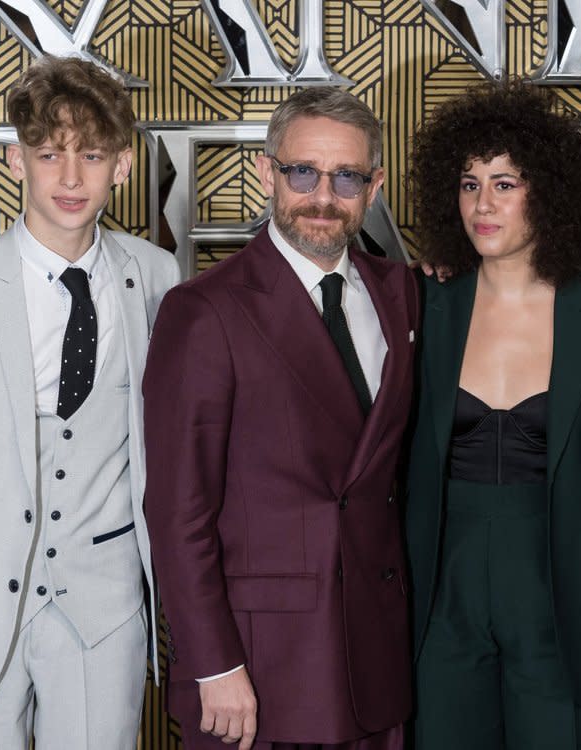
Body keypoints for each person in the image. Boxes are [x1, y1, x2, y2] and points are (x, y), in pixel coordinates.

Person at [0, 55, 180, 749]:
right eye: (49, 155)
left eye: (92, 155)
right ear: (17, 162)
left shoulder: (160, 280)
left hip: (103, 615)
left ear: (124, 164)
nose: (71, 178)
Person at [142, 87, 418, 750]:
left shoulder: (402, 295)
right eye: (303, 172)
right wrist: (213, 662)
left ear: (374, 186)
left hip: (375, 657)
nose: (323, 196)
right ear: (268, 172)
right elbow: (177, 513)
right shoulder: (204, 310)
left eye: (346, 176)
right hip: (257, 666)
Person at [404, 78, 581, 750]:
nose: (483, 203)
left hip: (566, 597)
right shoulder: (422, 305)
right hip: (442, 589)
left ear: (550, 191)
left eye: (505, 183)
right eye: (470, 183)